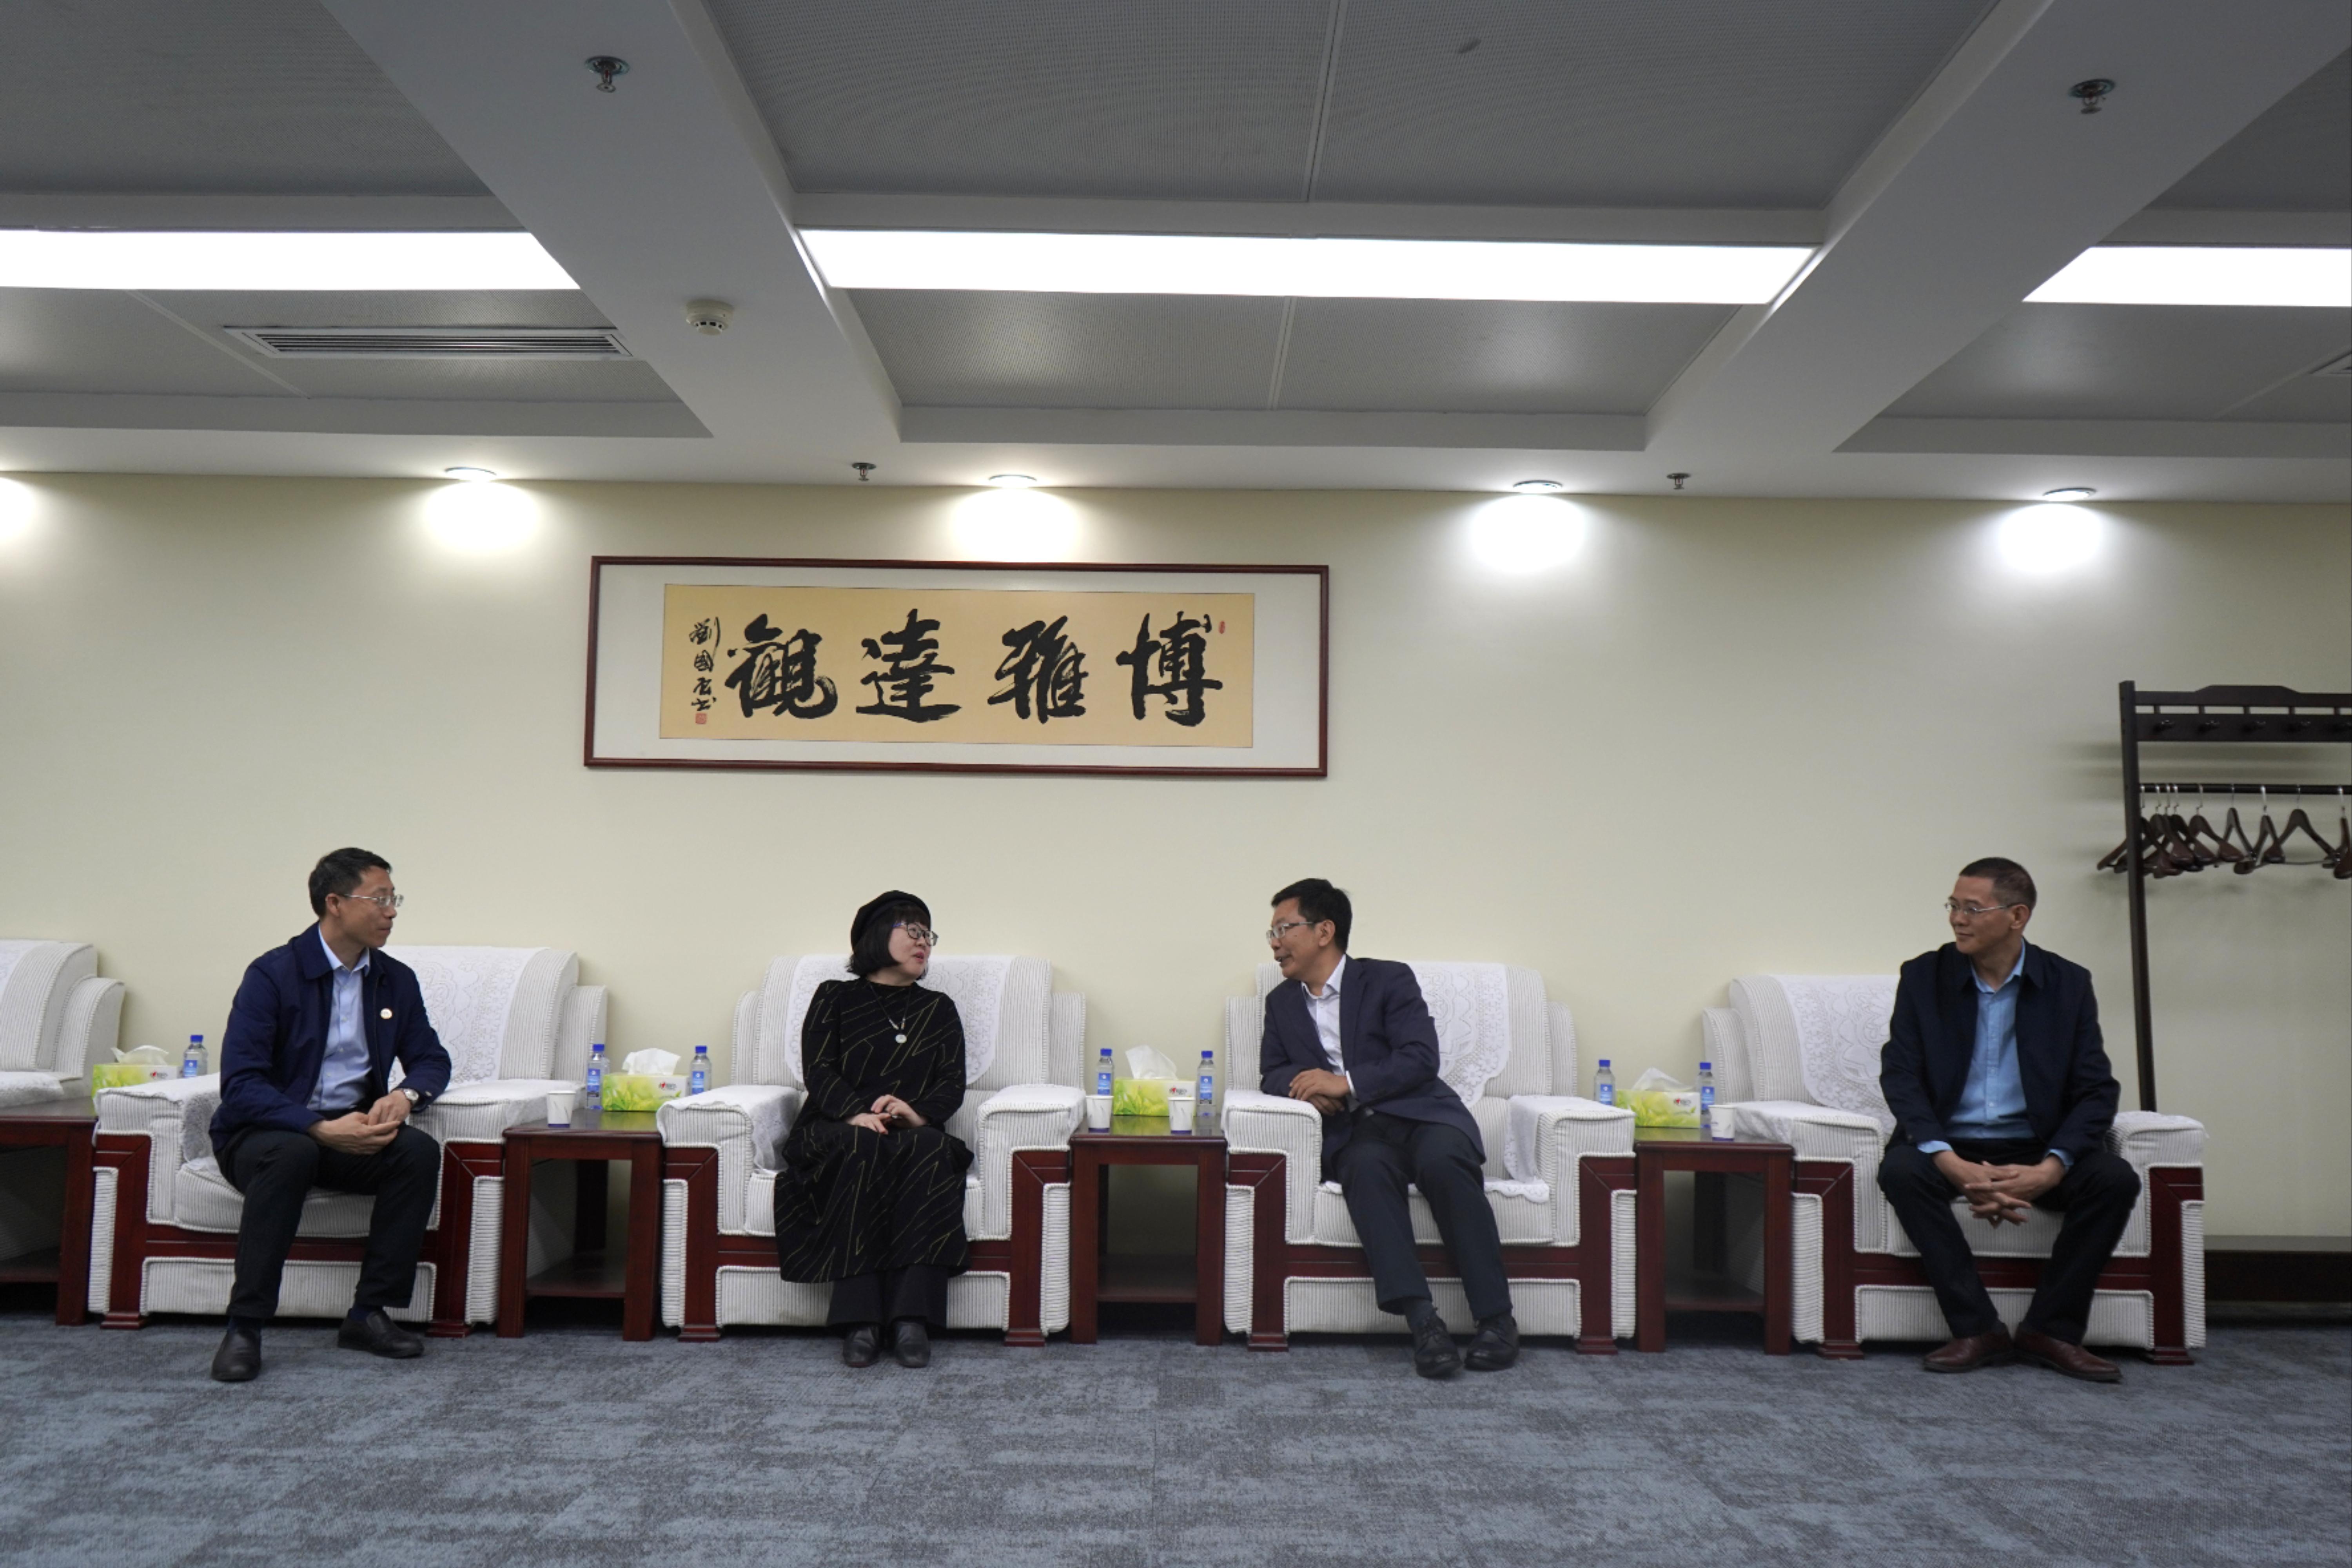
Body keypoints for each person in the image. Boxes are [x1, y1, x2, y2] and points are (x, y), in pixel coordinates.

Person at [1877, 857, 2141, 1383]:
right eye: (1953, 906)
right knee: (1902, 1171)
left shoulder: (2068, 983)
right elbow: (1901, 1076)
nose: (1958, 919)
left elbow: (2096, 1089)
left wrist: (2050, 1169)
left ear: (2017, 916)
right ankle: (1977, 1329)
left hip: (2036, 1145)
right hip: (1951, 1143)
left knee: (2114, 1180)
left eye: (1973, 909)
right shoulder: (1924, 977)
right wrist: (1950, 1162)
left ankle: (2051, 1331)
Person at [207, 848, 451, 1383]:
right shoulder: (273, 975)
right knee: (292, 1152)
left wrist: (406, 1095)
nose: (391, 911)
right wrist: (317, 1126)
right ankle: (245, 1326)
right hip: (264, 1135)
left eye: (394, 899)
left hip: (349, 1133)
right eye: (379, 899)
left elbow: (432, 1059)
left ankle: (369, 1314)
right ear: (335, 903)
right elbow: (241, 1085)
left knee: (416, 1151)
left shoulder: (394, 979)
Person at [1258, 878, 1515, 1378]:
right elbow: (1271, 1072)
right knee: (1366, 1171)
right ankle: (1424, 1324)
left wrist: (1345, 1082)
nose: (1274, 943)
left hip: (1423, 1115)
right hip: (1357, 1133)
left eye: (1283, 929)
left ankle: (1497, 1320)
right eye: (1271, 933)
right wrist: (1306, 1085)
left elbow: (1420, 1057)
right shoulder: (1281, 1003)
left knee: (1445, 1162)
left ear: (1324, 931)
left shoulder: (1388, 979)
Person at [772, 891, 972, 1368]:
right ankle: (860, 1320)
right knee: (861, 1144)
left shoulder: (939, 1008)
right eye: (913, 930)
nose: (924, 942)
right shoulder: (835, 997)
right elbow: (819, 1069)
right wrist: (854, 1113)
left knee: (929, 1149)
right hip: (836, 1126)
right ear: (877, 936)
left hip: (910, 1130)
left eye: (929, 934)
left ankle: (912, 1319)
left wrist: (916, 1113)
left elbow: (952, 1082)